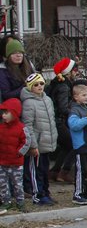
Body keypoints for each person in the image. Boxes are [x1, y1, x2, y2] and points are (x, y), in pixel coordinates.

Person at [21, 72, 58, 205]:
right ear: (30, 87)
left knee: (44, 169)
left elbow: (51, 120)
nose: (39, 86)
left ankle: (46, 192)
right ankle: (38, 195)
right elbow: (28, 125)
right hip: (37, 144)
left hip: (47, 142)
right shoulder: (29, 103)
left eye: (41, 83)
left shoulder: (47, 99)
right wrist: (32, 145)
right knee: (36, 170)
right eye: (36, 84)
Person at [46, 57, 82, 184]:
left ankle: (54, 172)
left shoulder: (57, 83)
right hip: (58, 121)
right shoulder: (64, 87)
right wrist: (75, 113)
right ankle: (64, 172)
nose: (77, 72)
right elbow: (62, 107)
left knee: (67, 146)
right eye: (75, 69)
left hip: (55, 120)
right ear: (68, 72)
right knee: (75, 144)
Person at [0, 98, 29, 213]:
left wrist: (19, 153)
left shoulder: (22, 127)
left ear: (14, 113)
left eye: (6, 113)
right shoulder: (1, 127)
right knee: (2, 184)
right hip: (2, 162)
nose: (4, 116)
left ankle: (20, 203)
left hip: (16, 163)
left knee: (17, 184)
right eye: (3, 113)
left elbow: (26, 141)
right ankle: (6, 202)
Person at [0, 38, 34, 102]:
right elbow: (6, 95)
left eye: (20, 53)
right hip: (17, 104)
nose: (18, 55)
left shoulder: (28, 66)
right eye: (14, 53)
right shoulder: (3, 71)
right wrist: (26, 86)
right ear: (8, 56)